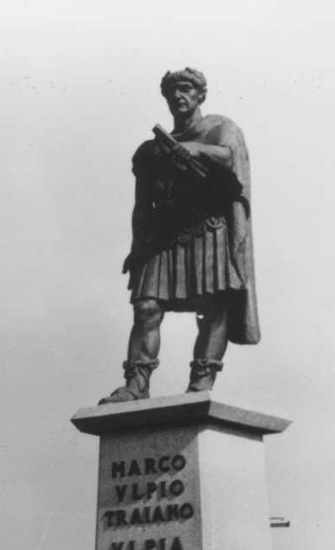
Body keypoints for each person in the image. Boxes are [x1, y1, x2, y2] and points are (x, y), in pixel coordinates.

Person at [102, 68, 258, 404]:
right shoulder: (150, 152)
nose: (178, 96)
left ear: (201, 94)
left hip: (208, 230)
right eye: (172, 91)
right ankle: (136, 384)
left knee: (214, 307)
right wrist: (137, 246)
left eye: (186, 89)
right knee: (146, 307)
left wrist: (198, 150)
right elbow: (142, 204)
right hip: (164, 236)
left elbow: (233, 159)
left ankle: (201, 383)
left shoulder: (220, 128)